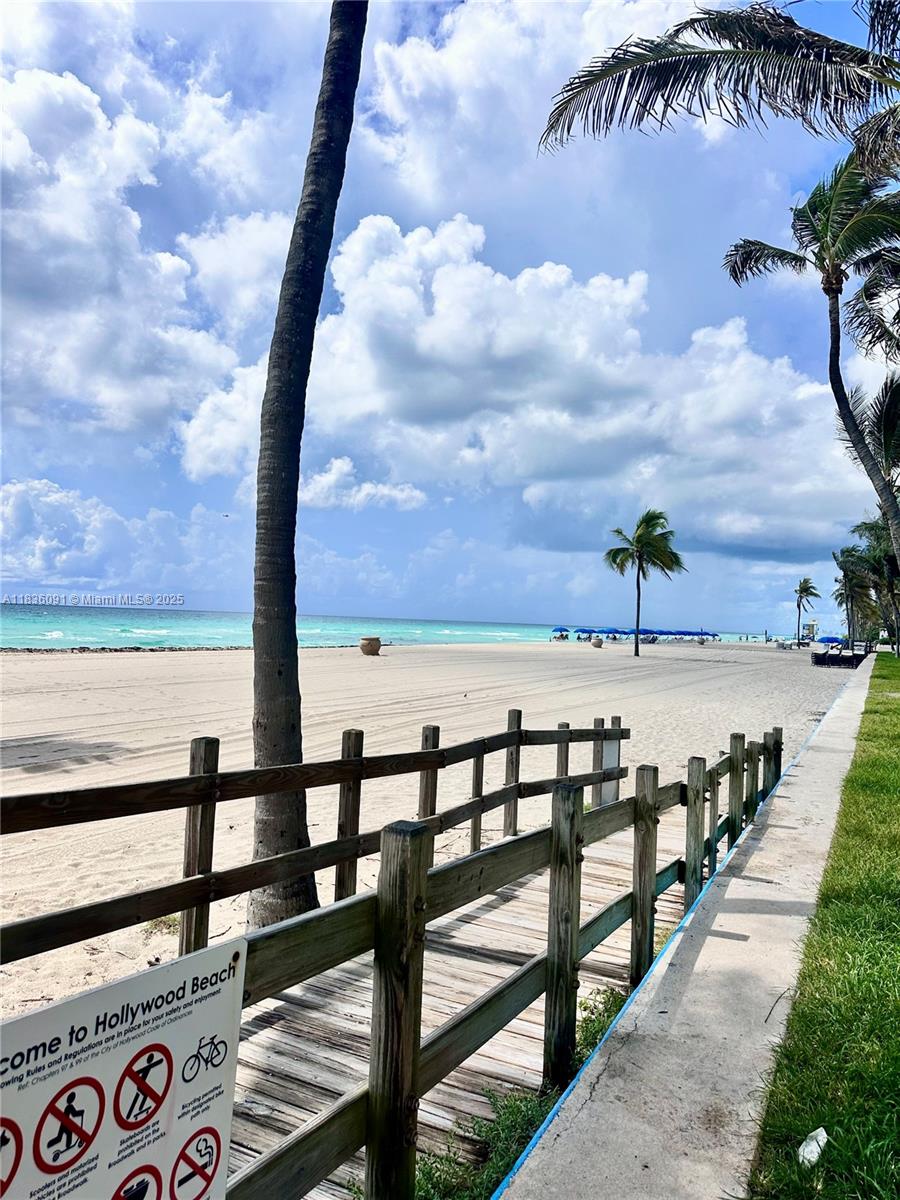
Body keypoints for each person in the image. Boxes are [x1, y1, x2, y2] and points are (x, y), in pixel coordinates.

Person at [46, 1092, 85, 1158]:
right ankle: (67, 1145)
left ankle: (49, 1144)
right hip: (66, 1124)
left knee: (59, 1138)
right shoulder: (70, 1107)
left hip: (63, 1124)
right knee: (69, 1134)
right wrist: (81, 1112)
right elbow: (74, 1114)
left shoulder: (67, 1107)